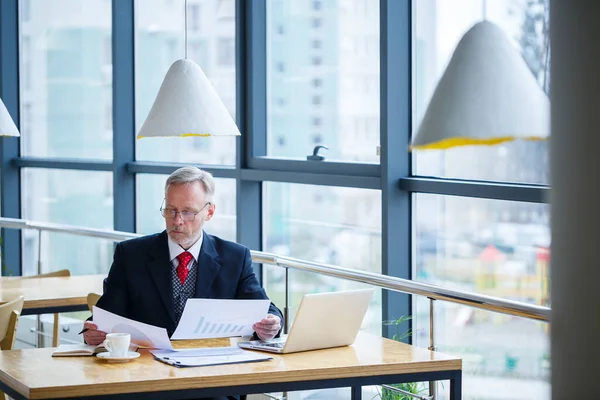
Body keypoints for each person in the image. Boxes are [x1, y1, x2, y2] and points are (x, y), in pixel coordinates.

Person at [84, 166, 282, 351]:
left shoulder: (235, 258)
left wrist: (272, 323)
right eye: (171, 210)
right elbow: (105, 315)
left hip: (213, 371)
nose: (177, 221)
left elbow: (262, 307)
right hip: (148, 370)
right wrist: (91, 332)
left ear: (209, 212)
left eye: (187, 212)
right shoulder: (130, 255)